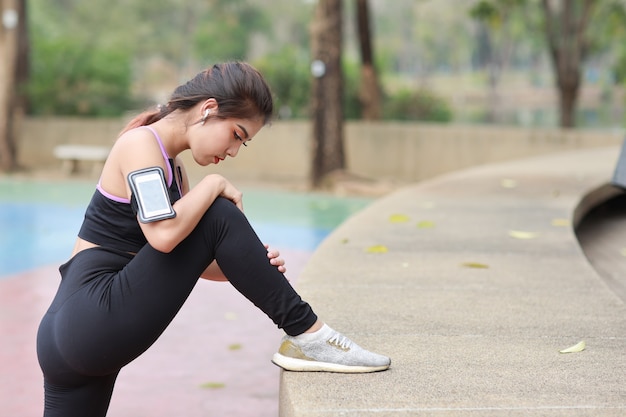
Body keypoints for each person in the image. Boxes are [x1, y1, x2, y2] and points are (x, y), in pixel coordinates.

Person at [36, 61, 390, 417]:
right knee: (218, 213)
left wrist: (250, 261)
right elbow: (163, 236)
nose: (234, 150)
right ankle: (309, 336)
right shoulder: (140, 144)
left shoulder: (173, 168)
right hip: (89, 315)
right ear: (208, 110)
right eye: (237, 135)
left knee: (215, 217)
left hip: (75, 332)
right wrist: (214, 183)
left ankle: (307, 335)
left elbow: (192, 259)